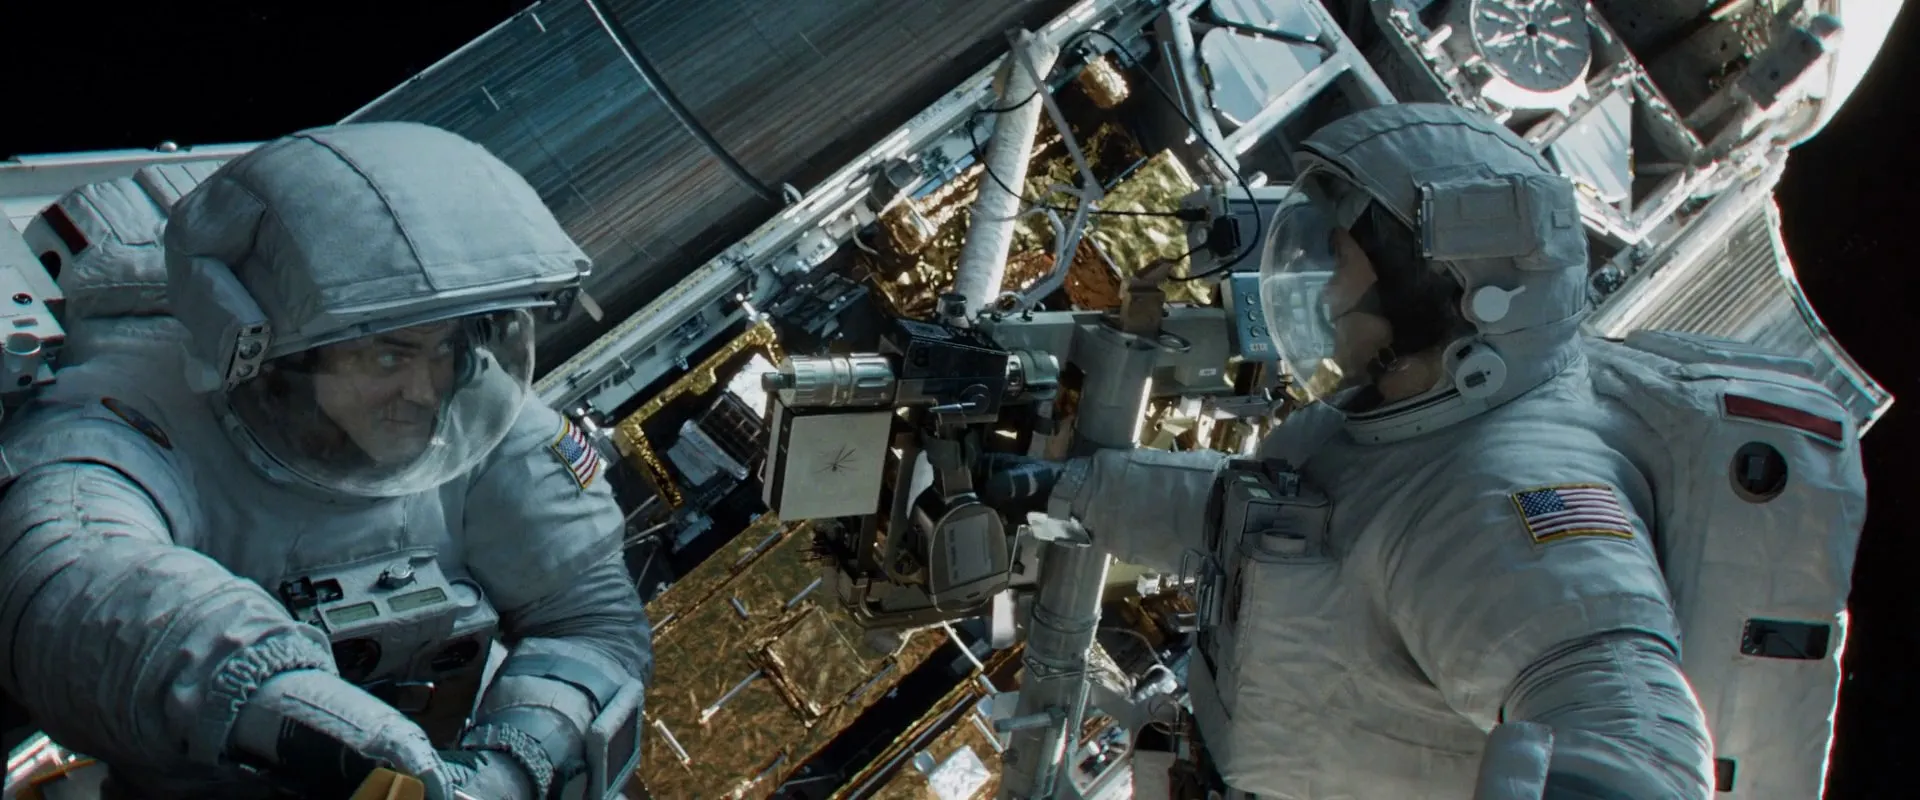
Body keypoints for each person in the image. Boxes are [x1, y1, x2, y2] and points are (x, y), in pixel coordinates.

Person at [1013, 103, 1735, 798]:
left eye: (1342, 265)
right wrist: (1069, 490)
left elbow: (1630, 729)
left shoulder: (1500, 498)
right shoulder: (1407, 425)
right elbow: (1271, 522)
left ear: (1428, 291)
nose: (1328, 297)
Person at [0, 122, 651, 800]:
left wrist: (517, 761)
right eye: (389, 356)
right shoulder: (128, 422)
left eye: (443, 349)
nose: (424, 391)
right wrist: (293, 714)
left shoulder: (474, 413)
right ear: (279, 357)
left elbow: (593, 621)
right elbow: (80, 583)